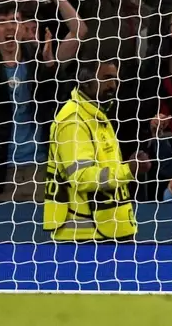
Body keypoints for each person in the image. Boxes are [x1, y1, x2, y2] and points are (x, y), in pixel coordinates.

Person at [44, 54, 137, 242]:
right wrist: (128, 170)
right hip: (84, 235)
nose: (113, 85)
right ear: (86, 82)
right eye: (107, 79)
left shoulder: (97, 115)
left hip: (109, 229)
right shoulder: (73, 121)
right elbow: (81, 177)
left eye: (116, 79)